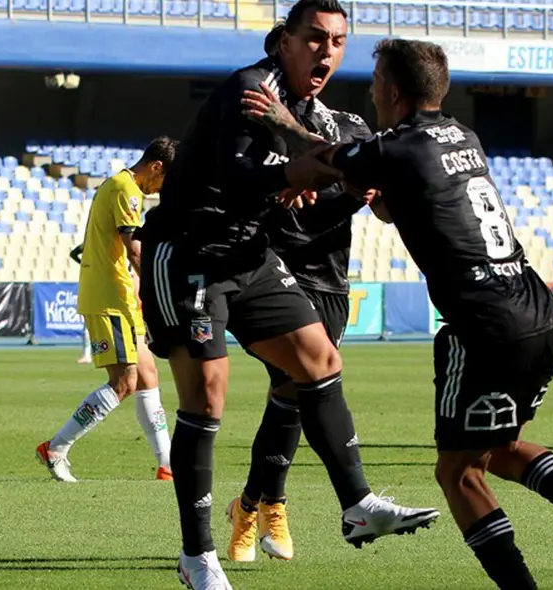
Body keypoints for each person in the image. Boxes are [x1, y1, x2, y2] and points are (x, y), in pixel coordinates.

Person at [259, 38, 553, 590]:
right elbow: (393, 205)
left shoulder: (399, 147)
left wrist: (282, 121)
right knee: (499, 449)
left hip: (484, 324)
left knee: (457, 472)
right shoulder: (464, 135)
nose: (371, 94)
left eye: (375, 84)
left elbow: (324, 157)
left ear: (393, 91)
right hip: (538, 312)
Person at [135, 2, 439, 586]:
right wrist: (287, 177)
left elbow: (319, 175)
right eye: (315, 38)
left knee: (320, 360)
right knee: (207, 398)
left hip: (249, 253)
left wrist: (302, 175)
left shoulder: (307, 112)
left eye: (338, 42)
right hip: (190, 252)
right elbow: (232, 176)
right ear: (284, 42)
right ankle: (197, 556)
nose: (327, 51)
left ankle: (358, 504)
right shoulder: (251, 90)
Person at [225, 19, 379, 564]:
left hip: (332, 278)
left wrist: (355, 186)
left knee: (290, 398)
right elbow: (261, 197)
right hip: (279, 275)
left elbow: (375, 190)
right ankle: (268, 507)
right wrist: (298, 185)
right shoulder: (261, 124)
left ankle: (251, 504)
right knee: (291, 387)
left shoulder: (350, 126)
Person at [36, 138, 177, 483]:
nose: (162, 188)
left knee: (148, 376)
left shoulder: (120, 186)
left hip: (122, 296)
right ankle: (56, 448)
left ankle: (168, 465)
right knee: (124, 382)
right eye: (165, 179)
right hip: (109, 296)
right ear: (156, 166)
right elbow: (134, 249)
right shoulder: (125, 188)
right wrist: (160, 288)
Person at [70, 242, 93, 364]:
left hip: (92, 284)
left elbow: (73, 253)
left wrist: (83, 264)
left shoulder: (88, 244)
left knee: (88, 324)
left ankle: (87, 354)